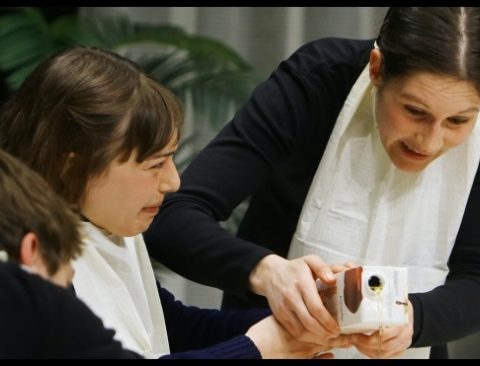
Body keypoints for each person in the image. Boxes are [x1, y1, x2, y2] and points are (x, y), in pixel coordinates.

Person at [143, 7, 480, 359]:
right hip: (272, 340)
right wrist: (266, 272)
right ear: (377, 68)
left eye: (458, 121)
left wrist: (416, 319)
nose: (430, 142)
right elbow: (172, 214)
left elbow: (476, 274)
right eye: (414, 111)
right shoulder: (317, 80)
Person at [0, 47, 348, 359]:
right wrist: (256, 349)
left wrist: (308, 322)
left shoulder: (108, 225)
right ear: (71, 164)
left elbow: (172, 328)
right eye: (153, 165)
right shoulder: (19, 261)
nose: (173, 182)